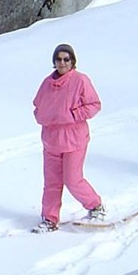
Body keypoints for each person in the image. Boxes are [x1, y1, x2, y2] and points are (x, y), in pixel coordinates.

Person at [31, 44, 105, 233]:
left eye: (66, 59)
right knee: (52, 182)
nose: (62, 63)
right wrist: (45, 117)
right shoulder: (47, 83)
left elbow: (94, 105)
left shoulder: (80, 80)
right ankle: (49, 219)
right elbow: (37, 107)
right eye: (58, 59)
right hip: (51, 141)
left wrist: (72, 116)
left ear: (72, 61)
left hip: (74, 139)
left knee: (73, 179)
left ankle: (95, 205)